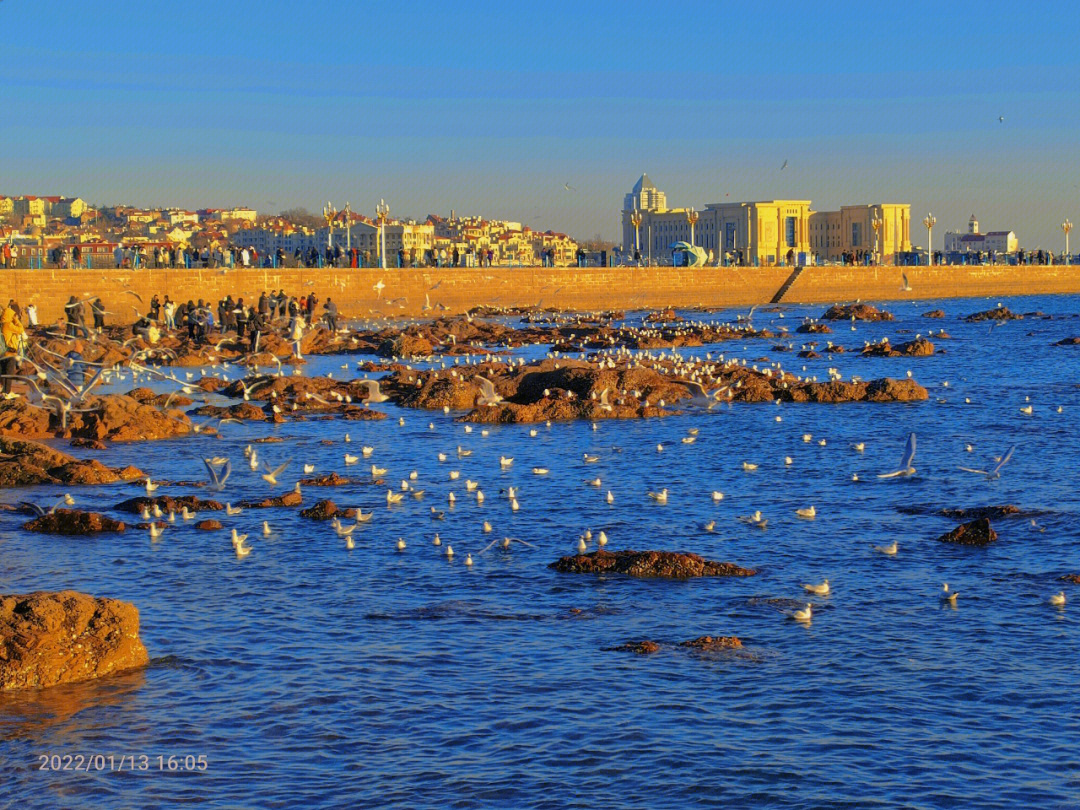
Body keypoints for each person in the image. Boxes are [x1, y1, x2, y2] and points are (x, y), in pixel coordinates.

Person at [1, 303, 26, 395]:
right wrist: (17, 320)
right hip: (10, 352)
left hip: (2, 352)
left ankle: (3, 390)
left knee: (3, 372)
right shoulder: (8, 325)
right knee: (9, 372)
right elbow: (21, 329)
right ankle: (7, 392)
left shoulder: (2, 324)